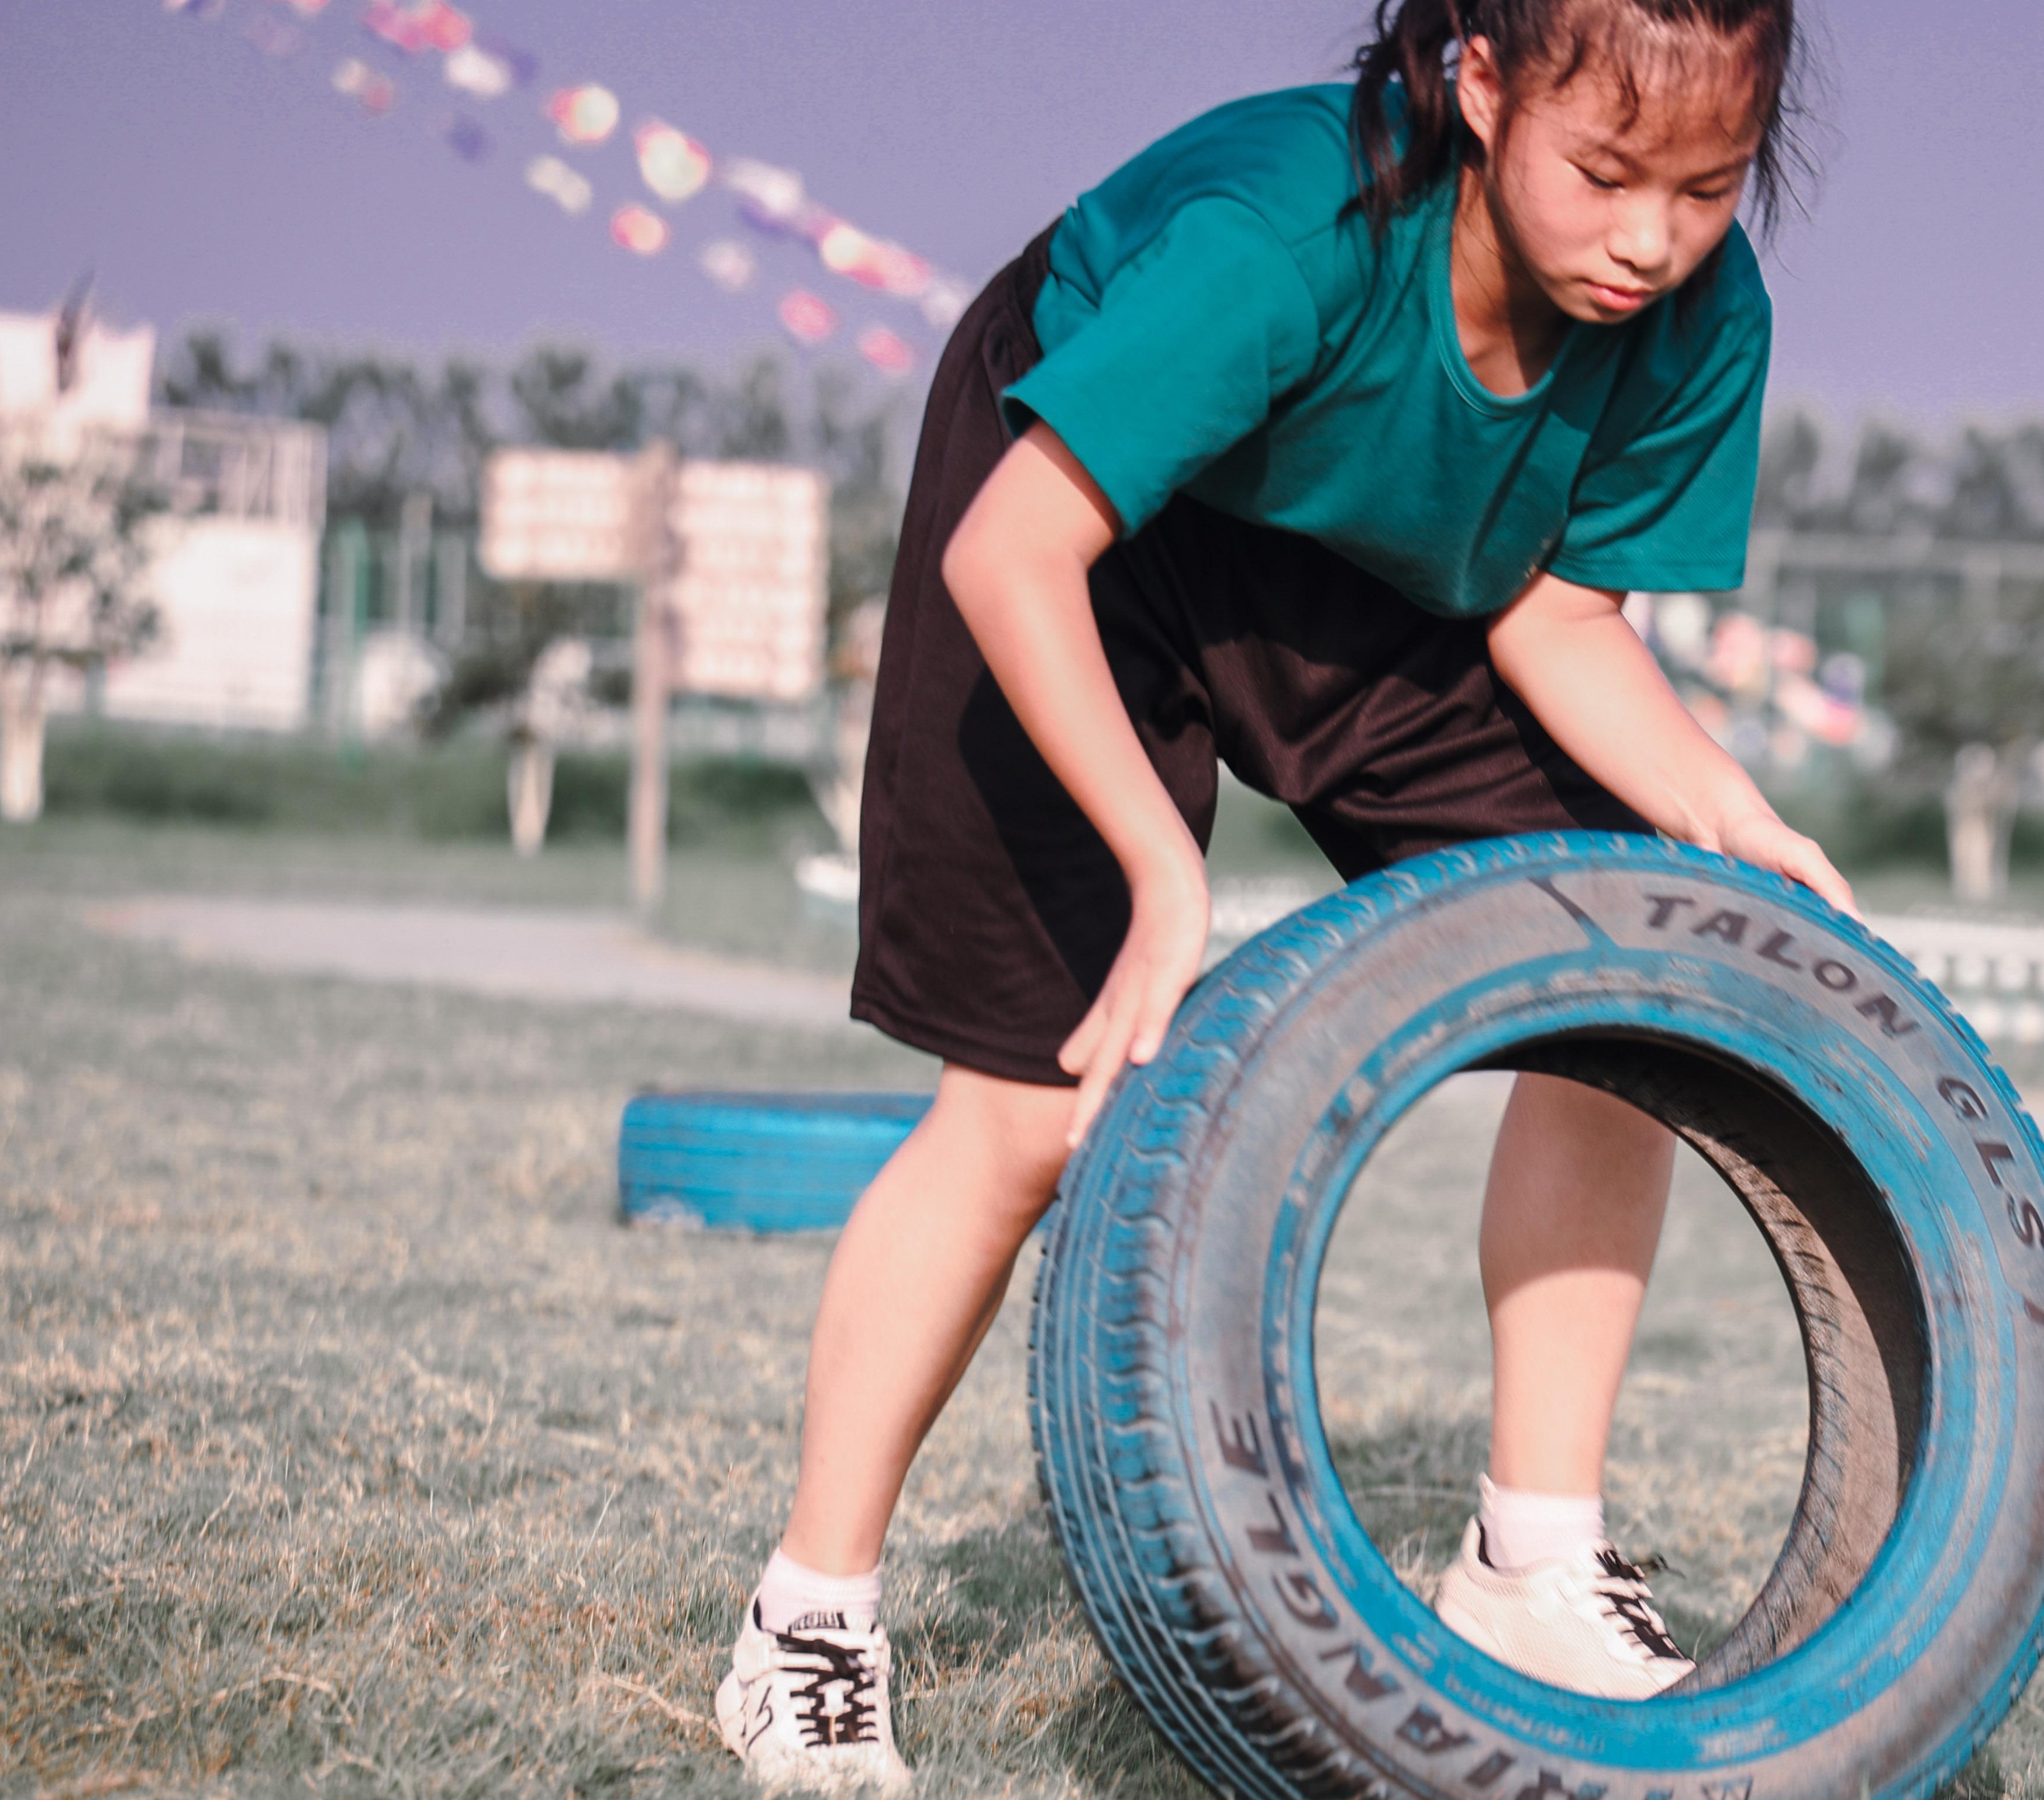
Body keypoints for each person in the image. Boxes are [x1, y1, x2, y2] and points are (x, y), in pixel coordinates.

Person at [715, 0, 1842, 1786]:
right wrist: (1166, 871)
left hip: (1356, 550)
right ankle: (808, 1619)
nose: (1651, 238)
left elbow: (1559, 618)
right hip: (1079, 518)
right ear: (1481, 87)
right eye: (1609, 173)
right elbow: (1013, 553)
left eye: (1706, 190)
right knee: (1025, 1112)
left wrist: (1729, 810)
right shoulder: (1287, 245)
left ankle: (1533, 1561)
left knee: (1616, 970)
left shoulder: (1697, 317)